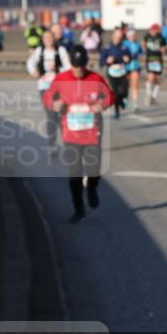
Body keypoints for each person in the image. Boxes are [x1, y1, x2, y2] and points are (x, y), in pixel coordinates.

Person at [42, 46, 113, 224]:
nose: (78, 71)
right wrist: (54, 104)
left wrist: (102, 105)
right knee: (74, 173)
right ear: (71, 64)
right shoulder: (61, 79)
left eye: (81, 67)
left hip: (92, 133)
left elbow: (110, 97)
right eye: (75, 67)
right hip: (71, 134)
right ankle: (78, 209)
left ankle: (91, 189)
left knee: (93, 170)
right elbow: (48, 97)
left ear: (86, 64)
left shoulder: (96, 78)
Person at [26, 30, 72, 147]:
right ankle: (51, 144)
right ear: (42, 39)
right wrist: (33, 72)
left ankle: (67, 142)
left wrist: (58, 68)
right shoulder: (39, 51)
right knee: (51, 115)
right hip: (44, 87)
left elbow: (68, 68)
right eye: (45, 38)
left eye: (50, 37)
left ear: (54, 38)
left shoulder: (61, 51)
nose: (48, 40)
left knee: (62, 114)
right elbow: (30, 62)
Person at [99, 28, 130, 119]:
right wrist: (107, 61)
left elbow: (130, 57)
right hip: (112, 72)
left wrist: (127, 59)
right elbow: (101, 61)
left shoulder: (124, 48)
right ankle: (117, 111)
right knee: (115, 92)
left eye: (120, 37)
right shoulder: (107, 48)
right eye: (116, 37)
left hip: (122, 72)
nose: (118, 39)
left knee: (125, 89)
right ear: (112, 36)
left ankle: (122, 101)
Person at [143, 23, 167, 105]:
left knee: (157, 79)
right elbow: (143, 44)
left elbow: (164, 48)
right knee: (150, 77)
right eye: (151, 30)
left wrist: (162, 49)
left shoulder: (161, 38)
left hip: (158, 60)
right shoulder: (147, 36)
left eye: (154, 30)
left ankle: (154, 96)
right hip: (150, 59)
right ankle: (148, 95)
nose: (152, 31)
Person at [123, 28, 143, 112]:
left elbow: (141, 53)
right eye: (131, 35)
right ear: (128, 36)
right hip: (126, 67)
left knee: (134, 85)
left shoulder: (138, 44)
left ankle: (135, 104)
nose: (133, 37)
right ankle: (125, 100)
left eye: (134, 35)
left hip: (135, 66)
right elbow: (121, 53)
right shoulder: (125, 43)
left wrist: (139, 56)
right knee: (126, 85)